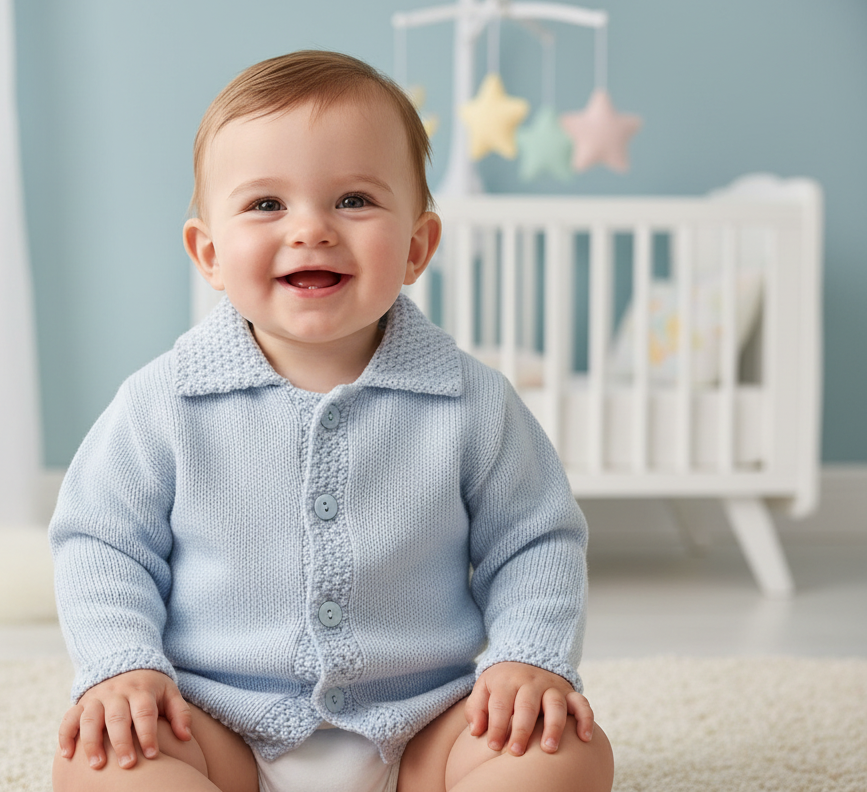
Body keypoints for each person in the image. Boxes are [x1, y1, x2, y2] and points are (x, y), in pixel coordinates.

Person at [49, 50, 614, 792]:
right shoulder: (164, 402)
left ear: (417, 247)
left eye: (353, 200)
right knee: (102, 759)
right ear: (209, 253)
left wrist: (529, 657)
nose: (310, 229)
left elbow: (535, 540)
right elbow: (102, 542)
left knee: (564, 748)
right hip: (218, 726)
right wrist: (123, 666)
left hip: (426, 728)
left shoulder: (471, 401)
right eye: (265, 205)